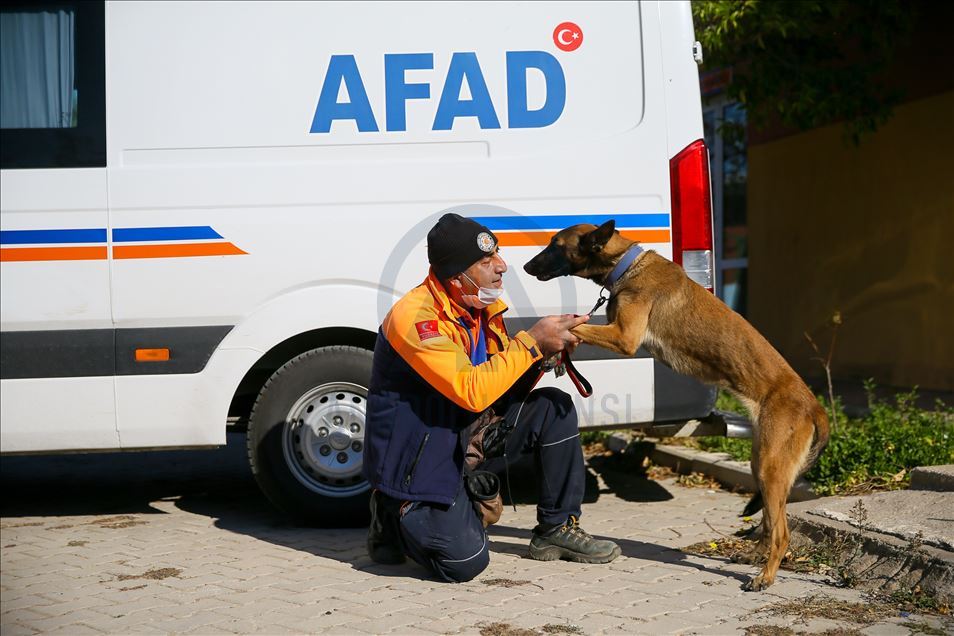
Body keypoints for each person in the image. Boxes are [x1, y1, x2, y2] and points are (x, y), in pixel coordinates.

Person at [362, 213, 621, 583]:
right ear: (456, 276)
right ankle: (392, 512)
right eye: (486, 261)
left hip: (465, 431)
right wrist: (531, 342)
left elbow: (499, 384)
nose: (502, 266)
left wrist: (542, 355)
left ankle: (557, 529)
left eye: (497, 254)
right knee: (465, 562)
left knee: (554, 407)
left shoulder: (481, 308)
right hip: (422, 449)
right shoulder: (415, 318)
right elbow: (471, 390)